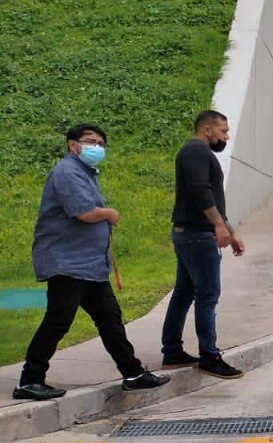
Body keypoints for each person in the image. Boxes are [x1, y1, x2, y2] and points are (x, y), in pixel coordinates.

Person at [13, 125, 171, 401]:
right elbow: (85, 213)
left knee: (110, 318)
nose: (96, 147)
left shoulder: (84, 173)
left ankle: (132, 373)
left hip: (89, 266)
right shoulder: (67, 172)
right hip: (67, 263)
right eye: (89, 142)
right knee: (58, 321)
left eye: (100, 143)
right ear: (72, 145)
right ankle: (30, 380)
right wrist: (110, 213)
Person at [162, 110, 246, 379]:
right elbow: (200, 190)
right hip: (198, 236)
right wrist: (218, 226)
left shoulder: (196, 152)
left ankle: (172, 350)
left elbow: (211, 197)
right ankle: (209, 356)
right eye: (223, 131)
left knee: (184, 293)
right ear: (207, 130)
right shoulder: (196, 151)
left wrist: (230, 231)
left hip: (191, 233)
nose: (226, 136)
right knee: (207, 296)